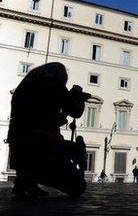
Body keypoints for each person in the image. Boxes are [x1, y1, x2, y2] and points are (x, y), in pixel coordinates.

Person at [7, 62, 91, 197]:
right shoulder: (53, 84)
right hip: (45, 147)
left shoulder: (24, 88)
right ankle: (30, 177)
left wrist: (65, 103)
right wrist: (78, 96)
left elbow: (50, 119)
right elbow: (76, 111)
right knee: (78, 186)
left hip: (20, 145)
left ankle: (25, 180)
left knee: (69, 149)